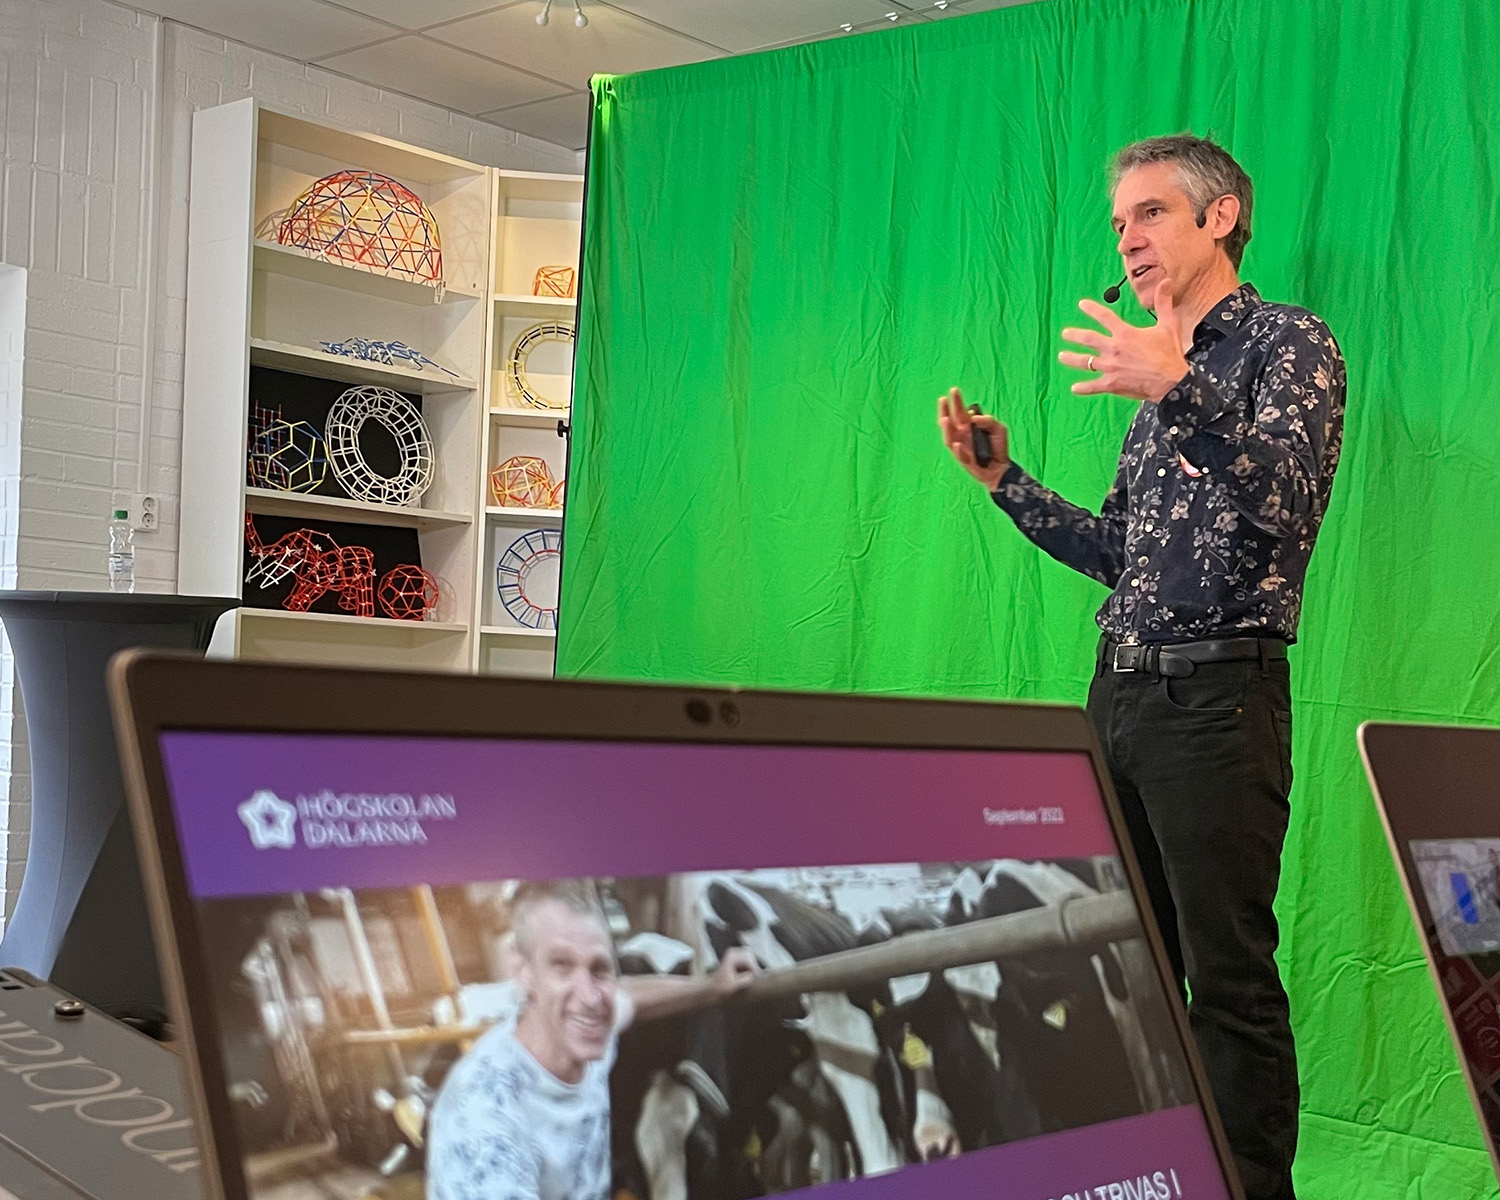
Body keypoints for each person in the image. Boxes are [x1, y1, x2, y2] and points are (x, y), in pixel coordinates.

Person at [937, 133, 1346, 1200]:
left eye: (1150, 214)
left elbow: (1287, 502)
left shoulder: (1287, 343)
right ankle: (1143, 1177)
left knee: (1227, 982)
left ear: (1220, 217)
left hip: (1219, 701)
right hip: (1114, 697)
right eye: (1119, 223)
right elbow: (1120, 552)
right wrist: (1006, 482)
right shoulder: (1156, 374)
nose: (1127, 239)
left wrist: (1181, 387)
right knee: (1120, 966)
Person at [426, 880, 757, 1200]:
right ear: (523, 972)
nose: (589, 997)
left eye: (599, 969)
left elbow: (630, 995)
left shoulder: (588, 1028)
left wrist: (710, 987)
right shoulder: (486, 1119)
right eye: (562, 966)